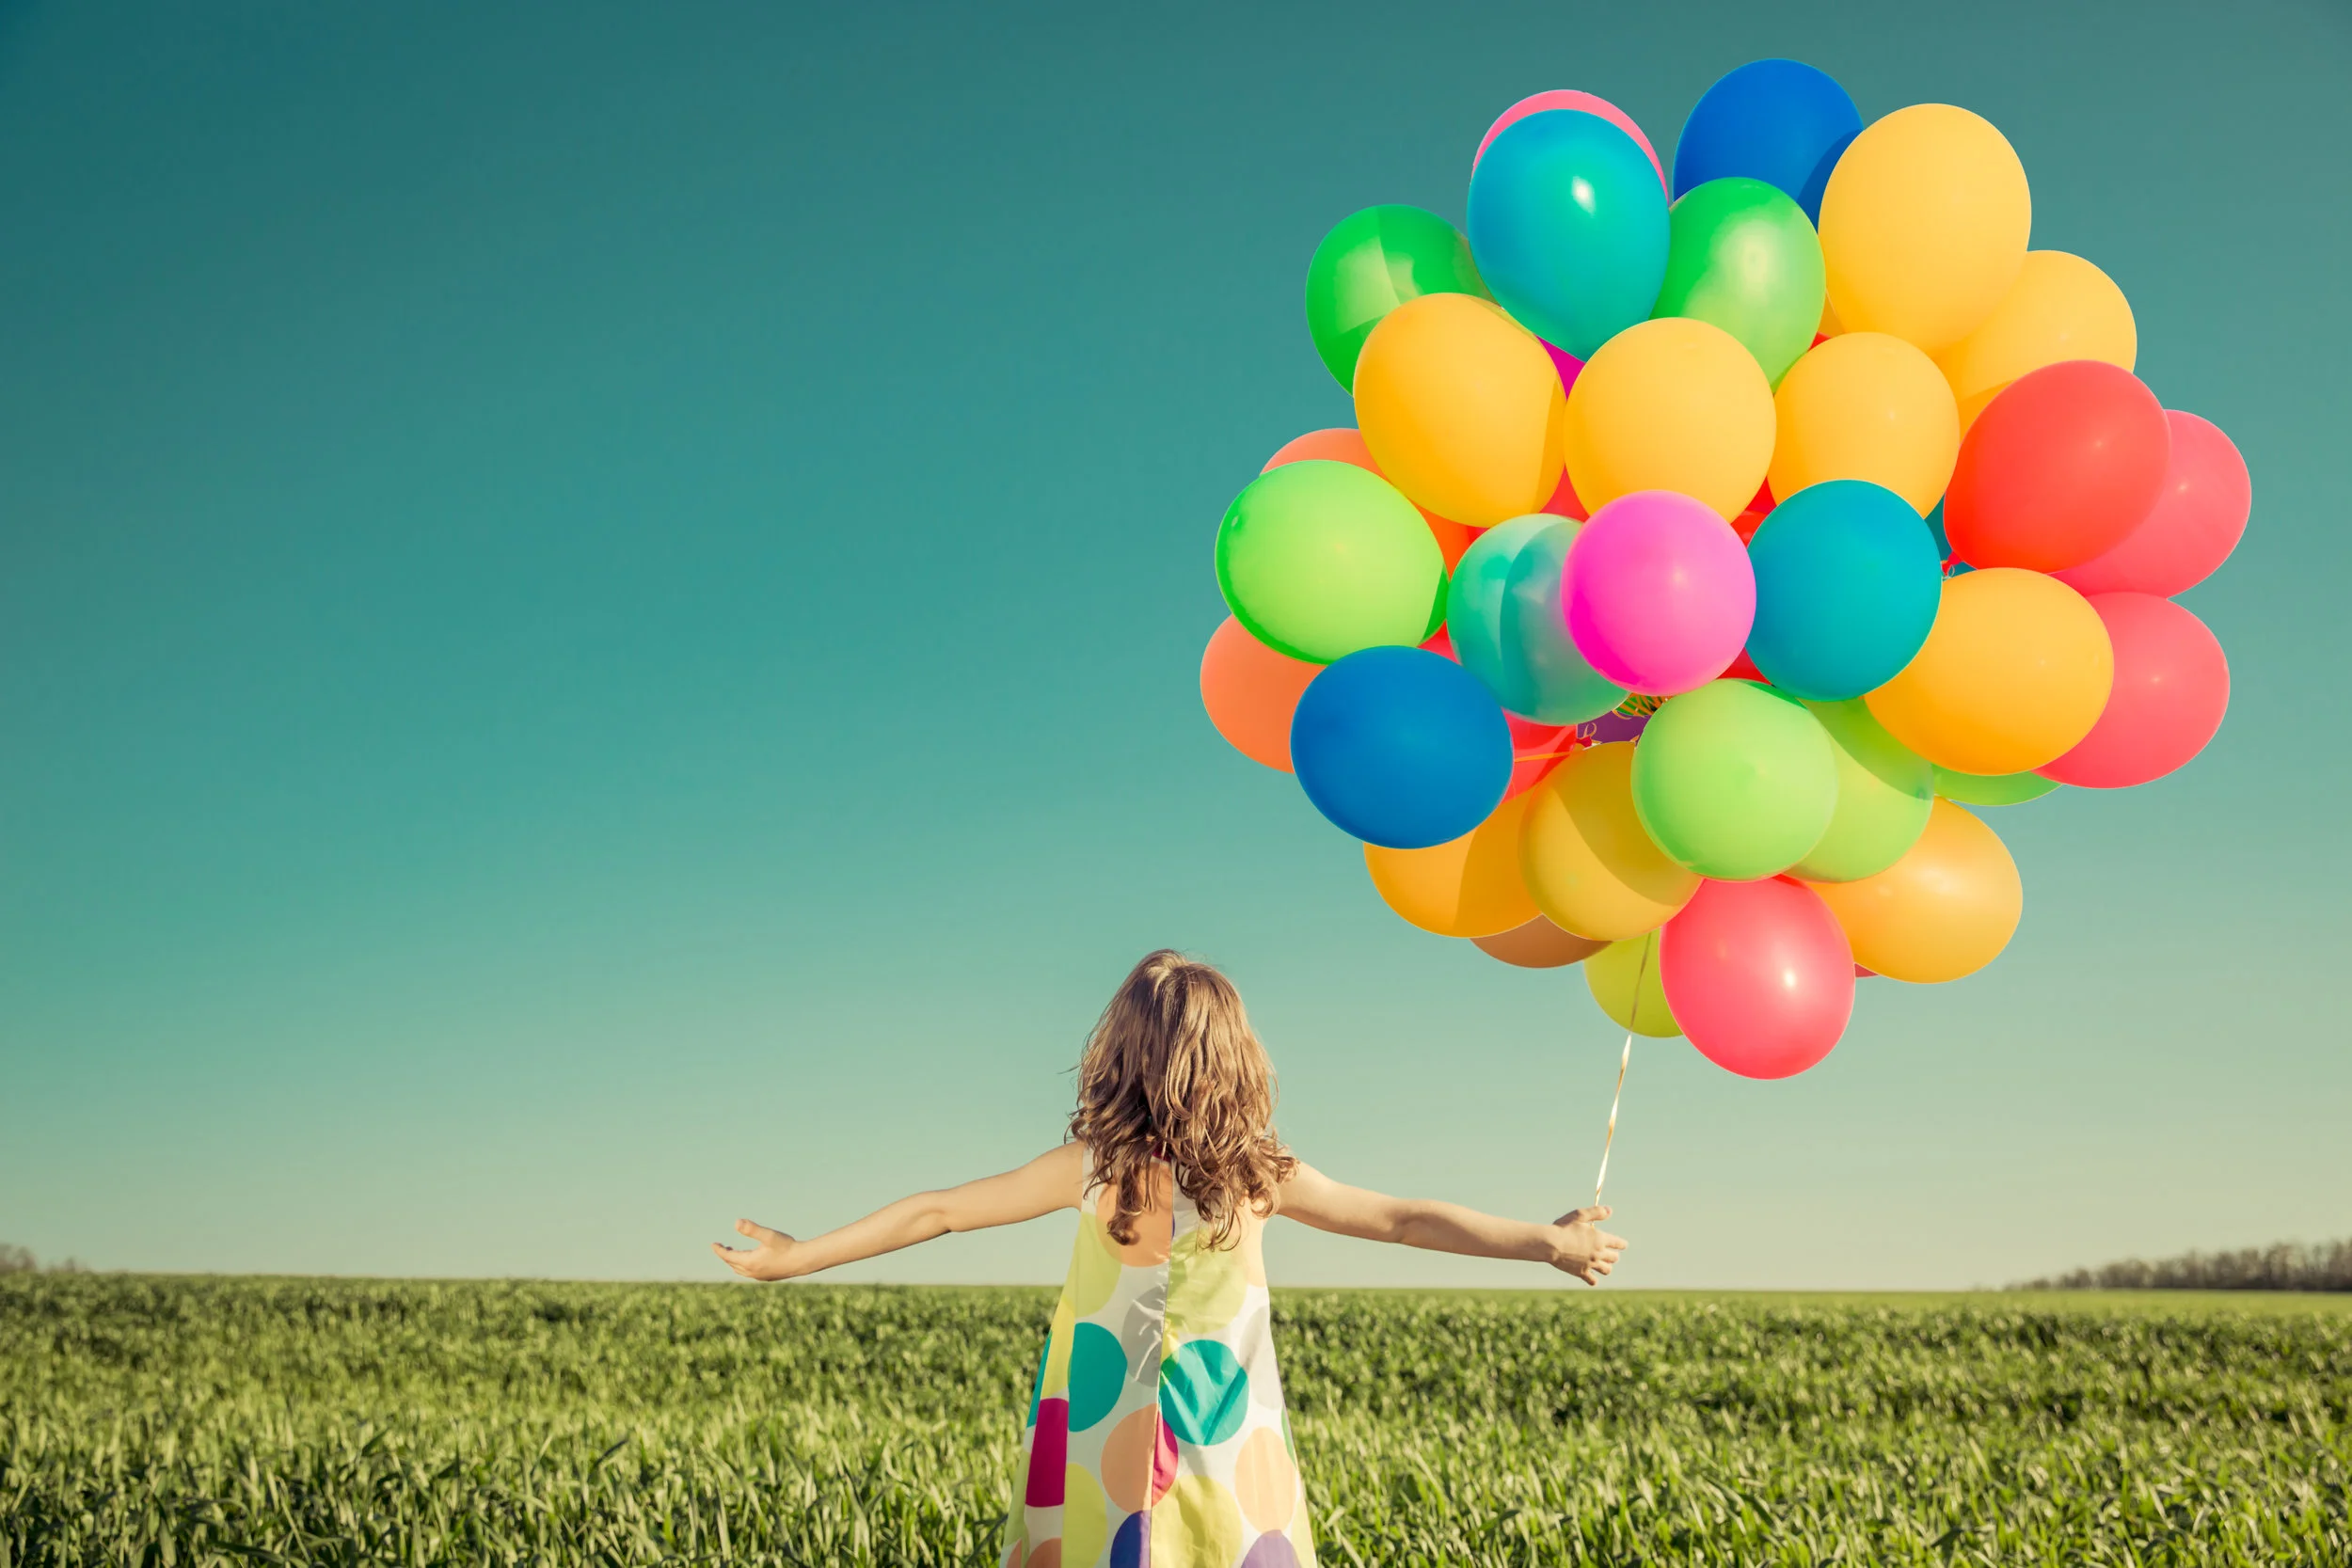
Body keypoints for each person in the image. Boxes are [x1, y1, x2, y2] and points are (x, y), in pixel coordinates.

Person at [712, 949, 1628, 1568]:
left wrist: (800, 1256)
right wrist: (1543, 1241)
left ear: (1117, 1055)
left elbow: (937, 1210)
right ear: (1237, 1062)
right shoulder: (1260, 1176)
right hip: (1225, 1434)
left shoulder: (1091, 1169)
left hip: (1098, 1437)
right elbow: (1402, 1218)